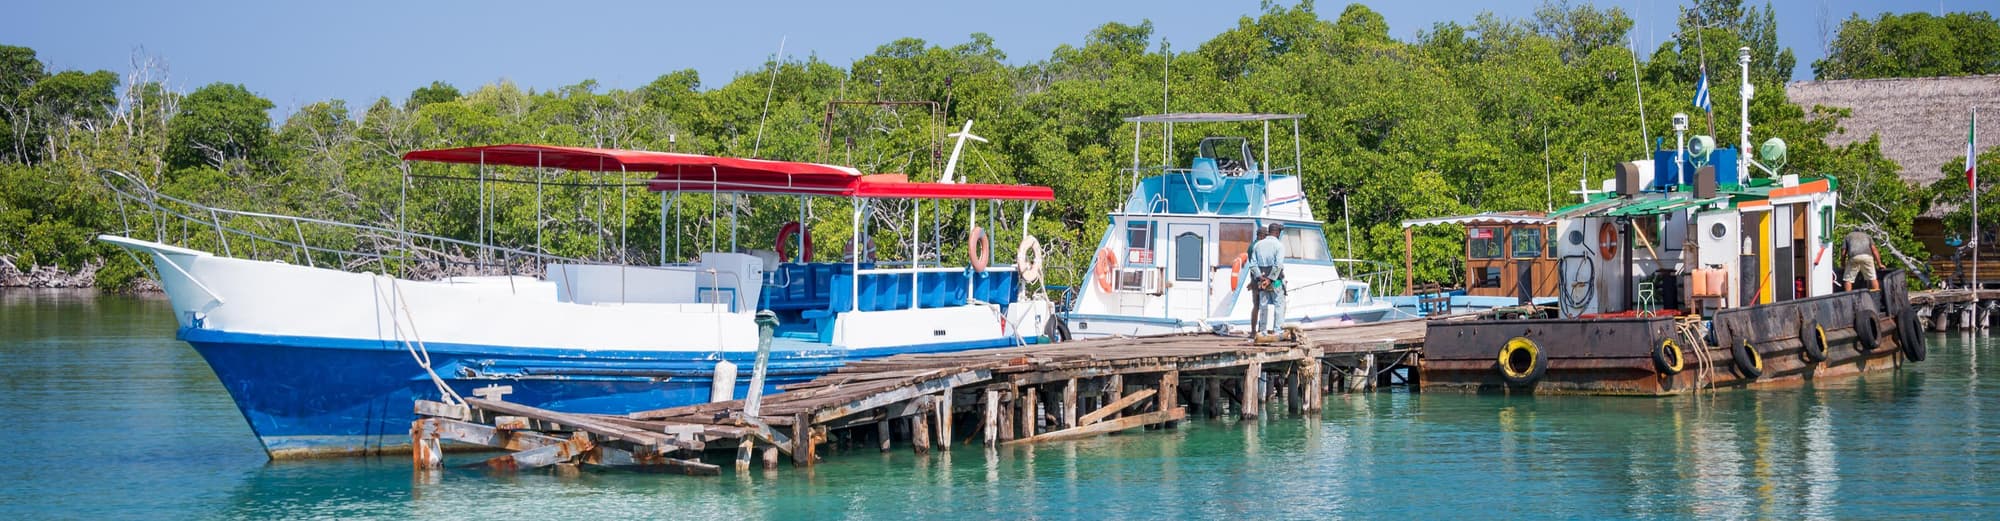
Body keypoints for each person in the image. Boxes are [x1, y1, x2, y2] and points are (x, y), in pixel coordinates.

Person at [1242, 223, 1288, 335]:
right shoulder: (1279, 246)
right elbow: (1278, 265)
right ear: (1277, 233)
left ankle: (1262, 331)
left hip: (1261, 282)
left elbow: (1252, 265)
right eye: (1279, 232)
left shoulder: (1258, 245)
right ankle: (1278, 331)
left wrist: (1260, 277)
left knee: (1263, 306)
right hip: (1275, 282)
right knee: (1279, 305)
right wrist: (1270, 279)